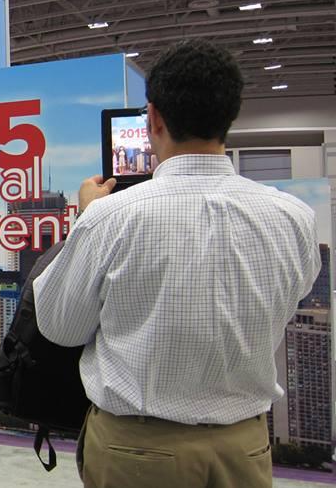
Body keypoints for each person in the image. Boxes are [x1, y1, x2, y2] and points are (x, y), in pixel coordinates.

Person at [33, 39, 320, 488]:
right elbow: (289, 301)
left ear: (153, 119)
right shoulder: (293, 218)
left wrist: (87, 216)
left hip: (138, 450)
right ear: (230, 116)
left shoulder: (110, 218)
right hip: (244, 447)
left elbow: (60, 327)